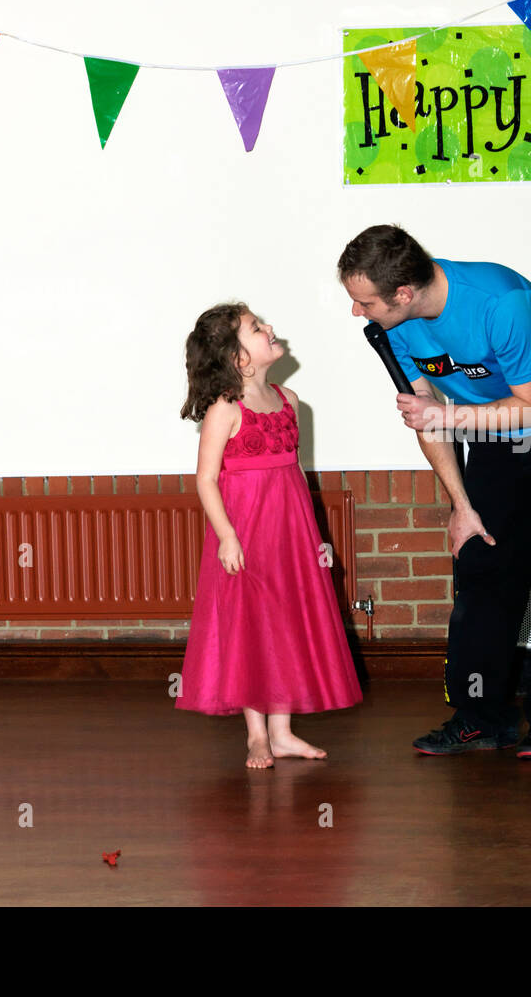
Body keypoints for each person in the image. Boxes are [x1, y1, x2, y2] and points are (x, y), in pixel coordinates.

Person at [338, 225, 531, 760]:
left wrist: (448, 414)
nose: (358, 313)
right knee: (483, 569)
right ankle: (479, 716)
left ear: (402, 293)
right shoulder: (393, 325)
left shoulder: (499, 303)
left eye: (364, 302)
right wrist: (462, 507)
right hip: (490, 427)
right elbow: (424, 416)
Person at [177, 302, 362, 768]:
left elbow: (297, 471)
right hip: (246, 530)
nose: (271, 328)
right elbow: (205, 478)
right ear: (239, 359)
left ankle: (282, 733)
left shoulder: (290, 401)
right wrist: (227, 537)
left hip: (290, 529)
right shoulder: (225, 408)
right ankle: (256, 734)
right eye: (258, 328)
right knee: (250, 624)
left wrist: (315, 534)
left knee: (285, 620)